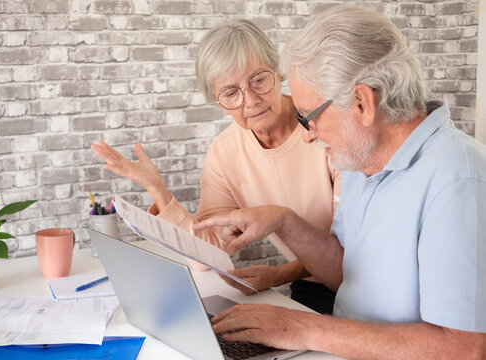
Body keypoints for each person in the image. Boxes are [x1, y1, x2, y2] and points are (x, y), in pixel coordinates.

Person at [193, 5, 486, 359]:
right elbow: (345, 271)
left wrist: (301, 328)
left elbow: (465, 348)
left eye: (311, 117)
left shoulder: (458, 179)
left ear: (362, 102)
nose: (307, 135)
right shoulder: (362, 162)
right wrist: (283, 220)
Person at [91, 19, 341, 313]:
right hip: (313, 286)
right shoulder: (225, 153)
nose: (250, 101)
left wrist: (278, 274)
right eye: (231, 93)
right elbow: (205, 253)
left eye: (258, 80)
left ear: (278, 73)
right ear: (218, 102)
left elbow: (349, 250)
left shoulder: (324, 126)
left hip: (361, 278)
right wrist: (158, 190)